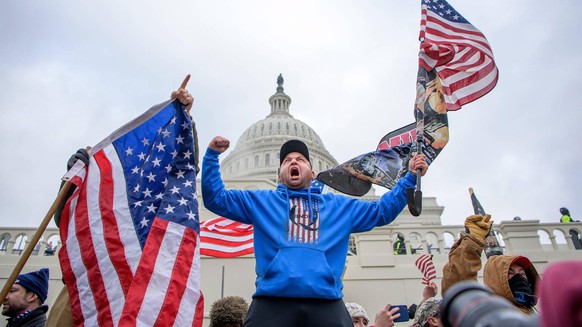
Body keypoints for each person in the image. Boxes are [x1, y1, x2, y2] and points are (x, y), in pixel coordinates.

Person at [202, 136, 428, 327]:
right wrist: (212, 156)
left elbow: (382, 212)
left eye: (300, 159)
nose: (294, 162)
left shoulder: (339, 207)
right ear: (279, 173)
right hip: (271, 301)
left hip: (326, 302)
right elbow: (215, 199)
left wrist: (408, 177)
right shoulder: (260, 201)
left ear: (312, 172)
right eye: (287, 160)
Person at [45, 77, 196, 327]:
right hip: (87, 296)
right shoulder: (101, 206)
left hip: (136, 300)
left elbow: (185, 170)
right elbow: (71, 223)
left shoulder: (159, 211)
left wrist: (183, 120)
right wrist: (71, 183)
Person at [442, 214, 540, 315]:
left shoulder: (538, 316)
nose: (518, 277)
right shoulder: (487, 313)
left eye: (522, 273)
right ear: (496, 279)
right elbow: (459, 288)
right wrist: (471, 243)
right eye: (510, 273)